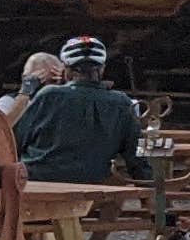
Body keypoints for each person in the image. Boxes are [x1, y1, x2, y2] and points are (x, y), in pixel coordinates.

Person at [14, 36, 148, 183]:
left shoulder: (49, 95)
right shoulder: (122, 102)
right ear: (102, 69)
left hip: (38, 181)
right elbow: (136, 155)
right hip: (91, 183)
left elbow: (16, 141)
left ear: (66, 69)